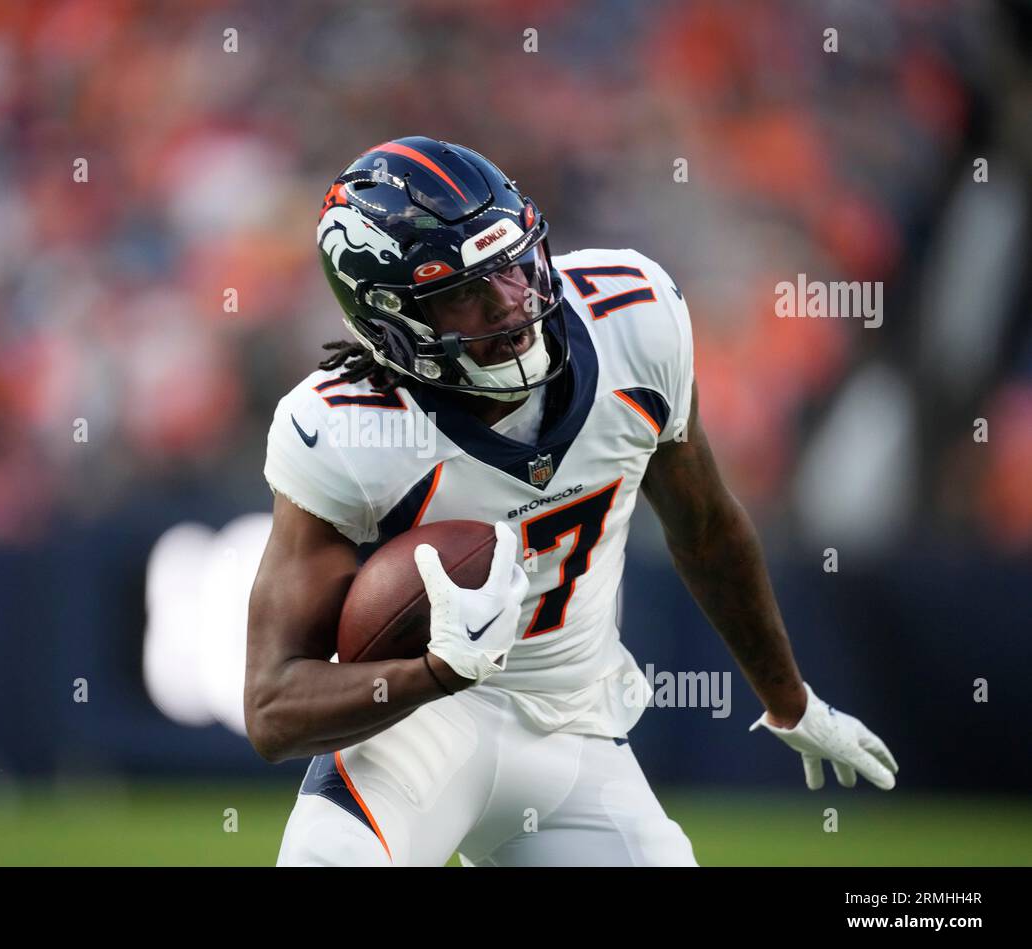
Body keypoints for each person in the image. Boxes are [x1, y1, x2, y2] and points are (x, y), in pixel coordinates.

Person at [245, 136, 898, 866]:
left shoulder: (636, 321)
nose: (511, 304)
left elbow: (706, 528)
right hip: (415, 732)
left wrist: (790, 699)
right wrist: (434, 673)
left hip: (575, 734)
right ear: (390, 321)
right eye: (464, 293)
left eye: (516, 267)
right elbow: (273, 707)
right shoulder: (344, 429)